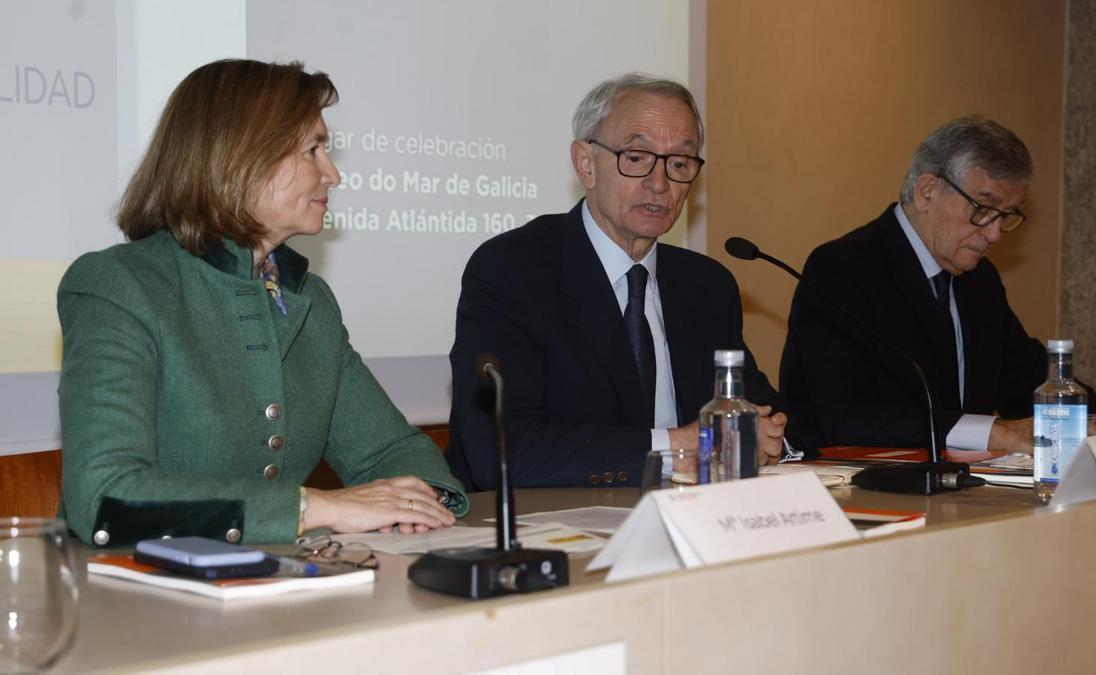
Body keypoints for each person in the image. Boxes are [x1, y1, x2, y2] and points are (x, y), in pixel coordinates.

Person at [58, 59, 467, 547]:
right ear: (239, 157)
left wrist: (415, 508)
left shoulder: (309, 299)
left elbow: (392, 450)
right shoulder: (119, 285)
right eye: (313, 150)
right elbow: (105, 495)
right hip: (131, 599)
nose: (333, 175)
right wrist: (317, 507)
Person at [446, 73, 814, 490]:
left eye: (679, 163)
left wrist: (772, 438)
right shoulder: (514, 269)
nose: (659, 183)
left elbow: (770, 412)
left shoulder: (706, 286)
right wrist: (675, 446)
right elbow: (503, 450)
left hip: (694, 524)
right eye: (637, 157)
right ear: (586, 164)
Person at [779, 115, 1096, 453]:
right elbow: (847, 416)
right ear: (927, 191)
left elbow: (1026, 382)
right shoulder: (844, 267)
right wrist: (998, 433)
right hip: (862, 493)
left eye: (1007, 216)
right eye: (984, 209)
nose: (994, 235)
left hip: (962, 495)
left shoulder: (978, 280)